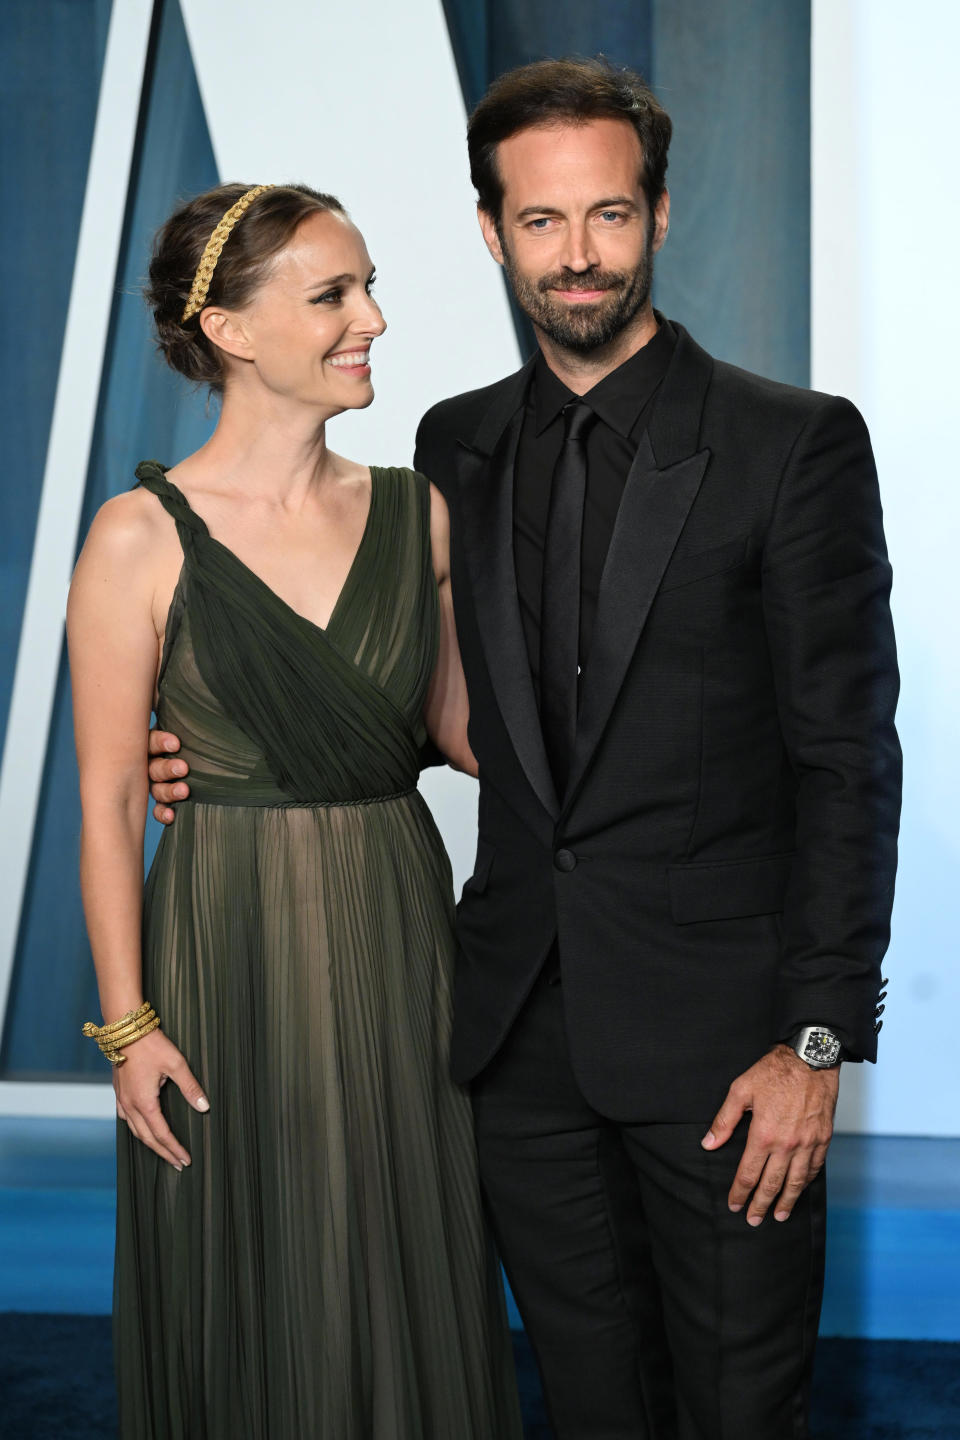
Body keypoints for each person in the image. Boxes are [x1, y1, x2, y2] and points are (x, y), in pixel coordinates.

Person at [149, 60, 902, 1440]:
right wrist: (225, 742)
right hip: (510, 1038)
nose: (579, 255)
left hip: (726, 1048)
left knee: (742, 1407)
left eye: (609, 216)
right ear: (492, 232)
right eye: (543, 223)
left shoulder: (788, 445)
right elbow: (458, 718)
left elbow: (850, 759)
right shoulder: (457, 446)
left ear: (661, 218)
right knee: (588, 1406)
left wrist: (815, 1036)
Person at [68, 181, 523, 1439]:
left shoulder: (415, 512)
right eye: (332, 295)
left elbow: (471, 736)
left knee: (404, 1254)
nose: (371, 317)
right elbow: (108, 796)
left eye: (368, 285)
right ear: (230, 329)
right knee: (244, 1272)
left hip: (395, 936)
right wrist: (128, 1030)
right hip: (224, 955)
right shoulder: (136, 539)